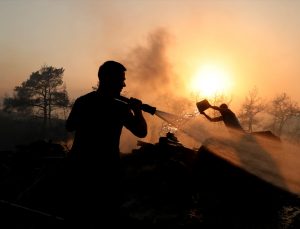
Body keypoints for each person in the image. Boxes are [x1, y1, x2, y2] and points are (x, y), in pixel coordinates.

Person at [64, 60, 148, 227]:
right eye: (121, 79)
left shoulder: (83, 101)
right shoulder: (119, 108)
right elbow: (141, 132)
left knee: (77, 214)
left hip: (79, 167)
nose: (124, 84)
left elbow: (69, 126)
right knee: (104, 216)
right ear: (109, 80)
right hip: (106, 170)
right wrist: (137, 110)